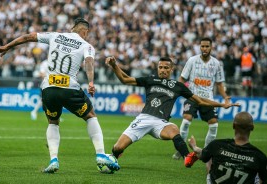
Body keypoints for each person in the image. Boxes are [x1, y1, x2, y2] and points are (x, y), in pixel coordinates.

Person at [0, 18, 120, 173]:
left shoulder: (55, 35)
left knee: (53, 122)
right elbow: (89, 62)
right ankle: (100, 154)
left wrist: (7, 47)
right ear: (85, 32)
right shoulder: (87, 45)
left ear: (72, 28)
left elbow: (28, 37)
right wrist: (91, 82)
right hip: (69, 88)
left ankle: (53, 160)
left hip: (49, 88)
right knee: (90, 116)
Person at [105, 56, 239, 168]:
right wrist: (114, 65)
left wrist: (222, 104)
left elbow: (201, 101)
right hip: (144, 119)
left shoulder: (177, 86)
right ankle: (114, 158)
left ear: (171, 69)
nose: (163, 70)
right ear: (158, 68)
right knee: (117, 148)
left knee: (174, 129)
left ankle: (187, 157)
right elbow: (125, 79)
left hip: (161, 123)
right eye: (160, 67)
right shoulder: (150, 80)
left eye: (166, 67)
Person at [173, 37, 230, 180]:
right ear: (200, 47)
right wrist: (178, 90)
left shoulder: (216, 64)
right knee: (186, 120)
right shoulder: (192, 60)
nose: (204, 48)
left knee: (214, 125)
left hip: (208, 99)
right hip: (192, 96)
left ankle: (206, 151)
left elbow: (219, 84)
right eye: (202, 46)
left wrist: (225, 97)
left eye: (207, 46)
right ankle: (180, 151)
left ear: (211, 47)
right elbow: (182, 78)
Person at [188, 112, 267, 184]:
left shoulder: (217, 145)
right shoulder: (259, 156)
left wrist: (194, 147)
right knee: (259, 173)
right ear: (252, 127)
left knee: (209, 156)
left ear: (233, 125)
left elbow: (203, 156)